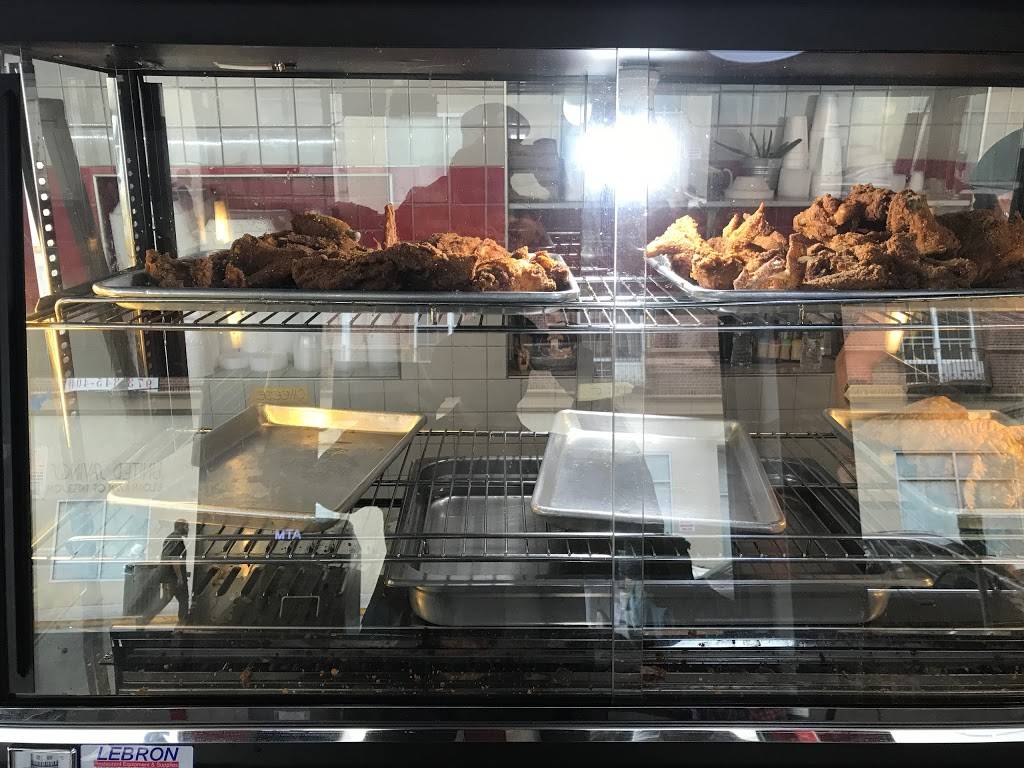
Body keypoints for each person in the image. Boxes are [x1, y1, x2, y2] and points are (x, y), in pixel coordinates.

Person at [141, 519, 190, 625]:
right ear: (179, 527)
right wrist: (180, 577)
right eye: (186, 526)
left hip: (168, 576)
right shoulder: (176, 539)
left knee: (166, 600)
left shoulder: (171, 538)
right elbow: (174, 560)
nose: (188, 529)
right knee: (183, 600)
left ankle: (144, 619)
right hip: (173, 577)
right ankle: (182, 624)